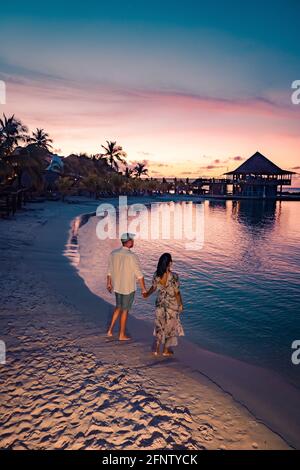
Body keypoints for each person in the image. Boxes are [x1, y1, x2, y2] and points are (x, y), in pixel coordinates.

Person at [106, 233, 147, 340]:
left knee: (118, 307)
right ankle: (121, 334)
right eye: (132, 240)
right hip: (128, 288)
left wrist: (109, 283)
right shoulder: (132, 256)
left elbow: (109, 271)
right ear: (128, 242)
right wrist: (143, 289)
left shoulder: (113, 253)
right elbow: (139, 275)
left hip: (117, 286)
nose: (133, 241)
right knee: (125, 310)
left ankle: (110, 330)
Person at [143, 253, 184, 356]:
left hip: (160, 303)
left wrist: (146, 294)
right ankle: (165, 350)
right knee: (169, 327)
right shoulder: (174, 276)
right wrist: (181, 305)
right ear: (170, 263)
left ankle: (156, 349)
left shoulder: (157, 274)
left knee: (159, 326)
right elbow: (177, 292)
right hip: (171, 305)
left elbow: (153, 288)